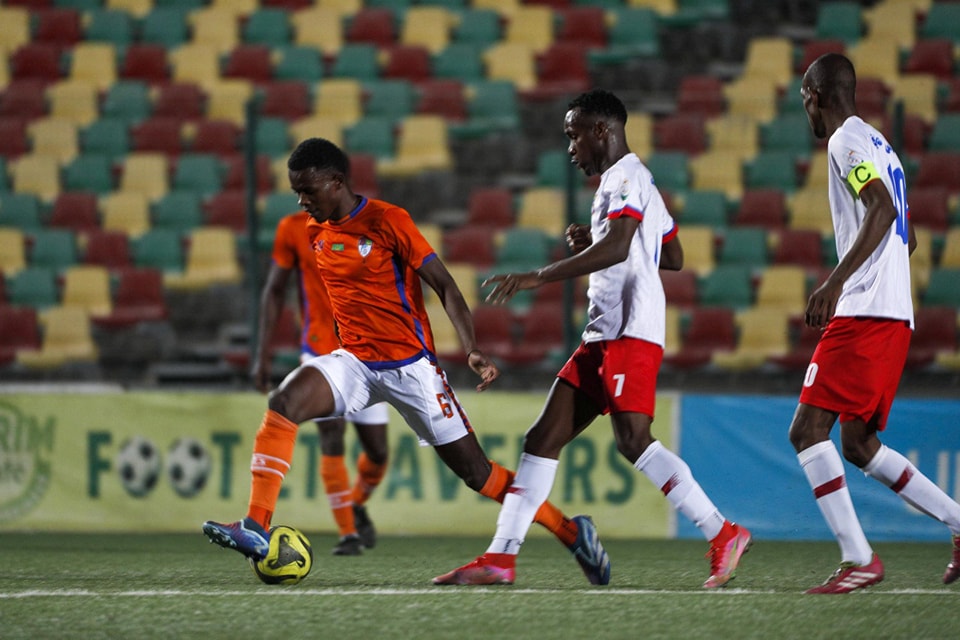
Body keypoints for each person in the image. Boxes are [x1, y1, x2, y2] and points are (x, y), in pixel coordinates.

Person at [203, 137, 610, 586]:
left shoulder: (387, 220)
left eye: (308, 191)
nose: (302, 201)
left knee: (478, 473)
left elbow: (446, 286)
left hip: (411, 368)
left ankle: (573, 532)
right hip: (354, 362)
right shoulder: (313, 229)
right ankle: (257, 527)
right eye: (296, 192)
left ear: (337, 183)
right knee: (284, 402)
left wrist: (471, 347)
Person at [433, 89, 751, 589]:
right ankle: (500, 558)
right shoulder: (632, 181)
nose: (570, 147)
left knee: (632, 440)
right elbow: (671, 256)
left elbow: (626, 245)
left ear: (601, 130)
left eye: (573, 134)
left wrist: (540, 275)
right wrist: (598, 237)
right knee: (541, 439)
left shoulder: (626, 176)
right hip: (603, 333)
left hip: (629, 332)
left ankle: (723, 532)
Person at [790, 53, 960, 594]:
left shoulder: (844, 142)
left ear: (815, 95)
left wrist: (836, 283)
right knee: (859, 443)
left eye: (804, 101)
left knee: (806, 430)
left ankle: (858, 558)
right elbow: (903, 238)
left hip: (865, 313)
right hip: (894, 313)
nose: (806, 112)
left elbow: (881, 211)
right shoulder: (884, 147)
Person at [254, 209, 390, 556]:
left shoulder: (369, 225)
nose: (305, 197)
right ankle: (348, 534)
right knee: (332, 434)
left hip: (366, 350)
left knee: (378, 452)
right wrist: (263, 353)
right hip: (319, 349)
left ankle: (356, 504)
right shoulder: (292, 227)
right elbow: (274, 289)